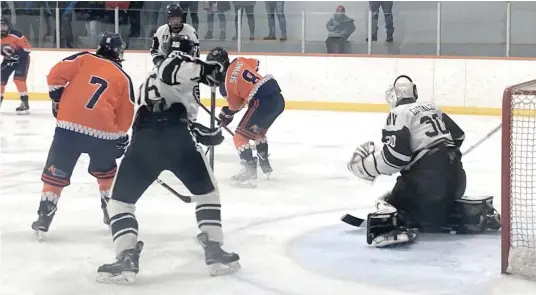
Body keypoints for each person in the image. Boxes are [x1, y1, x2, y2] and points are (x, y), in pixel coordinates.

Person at [96, 35, 240, 283]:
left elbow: (157, 107)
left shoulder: (148, 79)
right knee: (207, 194)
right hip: (176, 139)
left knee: (120, 202)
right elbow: (172, 70)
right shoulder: (176, 62)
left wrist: (198, 130)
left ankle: (126, 256)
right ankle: (215, 250)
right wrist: (208, 70)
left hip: (144, 141)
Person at [347, 75, 500, 248]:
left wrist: (366, 168)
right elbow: (458, 136)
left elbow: (396, 158)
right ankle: (474, 215)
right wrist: (442, 155)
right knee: (436, 206)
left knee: (390, 200)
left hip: (426, 185)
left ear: (395, 95)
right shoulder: (431, 107)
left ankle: (390, 229)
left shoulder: (399, 113)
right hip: (457, 180)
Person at [31, 32, 134, 240]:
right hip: (103, 133)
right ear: (119, 52)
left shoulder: (84, 58)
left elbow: (54, 76)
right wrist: (119, 136)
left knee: (56, 171)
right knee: (106, 173)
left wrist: (58, 99)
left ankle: (45, 213)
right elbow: (126, 113)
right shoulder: (124, 78)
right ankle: (110, 211)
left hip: (69, 127)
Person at [206, 47, 285, 187]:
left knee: (239, 137)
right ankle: (264, 162)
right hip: (278, 99)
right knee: (257, 131)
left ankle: (250, 170)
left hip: (261, 101)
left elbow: (236, 106)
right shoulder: (239, 61)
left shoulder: (225, 86)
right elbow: (256, 64)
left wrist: (226, 114)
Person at [0, 17, 31, 114]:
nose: (2, 29)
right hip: (8, 59)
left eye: (4, 26)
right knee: (0, 79)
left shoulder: (17, 35)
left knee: (18, 80)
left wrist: (17, 57)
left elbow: (27, 49)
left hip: (22, 59)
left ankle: (25, 103)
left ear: (8, 26)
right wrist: (9, 58)